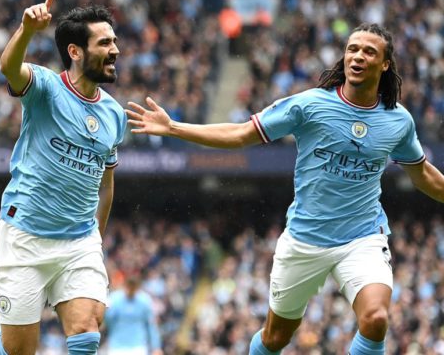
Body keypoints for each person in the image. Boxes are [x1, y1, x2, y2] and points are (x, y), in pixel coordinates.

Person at [125, 23, 444, 355]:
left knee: (376, 318)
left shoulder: (398, 121)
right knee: (275, 338)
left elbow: (422, 173)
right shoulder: (309, 105)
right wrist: (174, 127)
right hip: (305, 239)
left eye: (369, 51)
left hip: (362, 237)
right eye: (352, 49)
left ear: (385, 64)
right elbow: (239, 135)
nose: (358, 56)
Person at [0, 0, 126, 355]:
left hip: (79, 242)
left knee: (87, 330)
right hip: (25, 236)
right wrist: (28, 29)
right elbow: (8, 68)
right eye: (105, 42)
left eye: (115, 41)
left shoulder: (115, 115)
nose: (115, 50)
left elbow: (105, 185)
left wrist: (95, 241)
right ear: (76, 52)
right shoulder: (45, 88)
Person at [104, 275, 163, 355]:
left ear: (137, 288)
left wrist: (156, 347)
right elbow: (107, 320)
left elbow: (151, 325)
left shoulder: (144, 300)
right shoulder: (115, 299)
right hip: (117, 346)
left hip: (138, 347)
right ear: (125, 286)